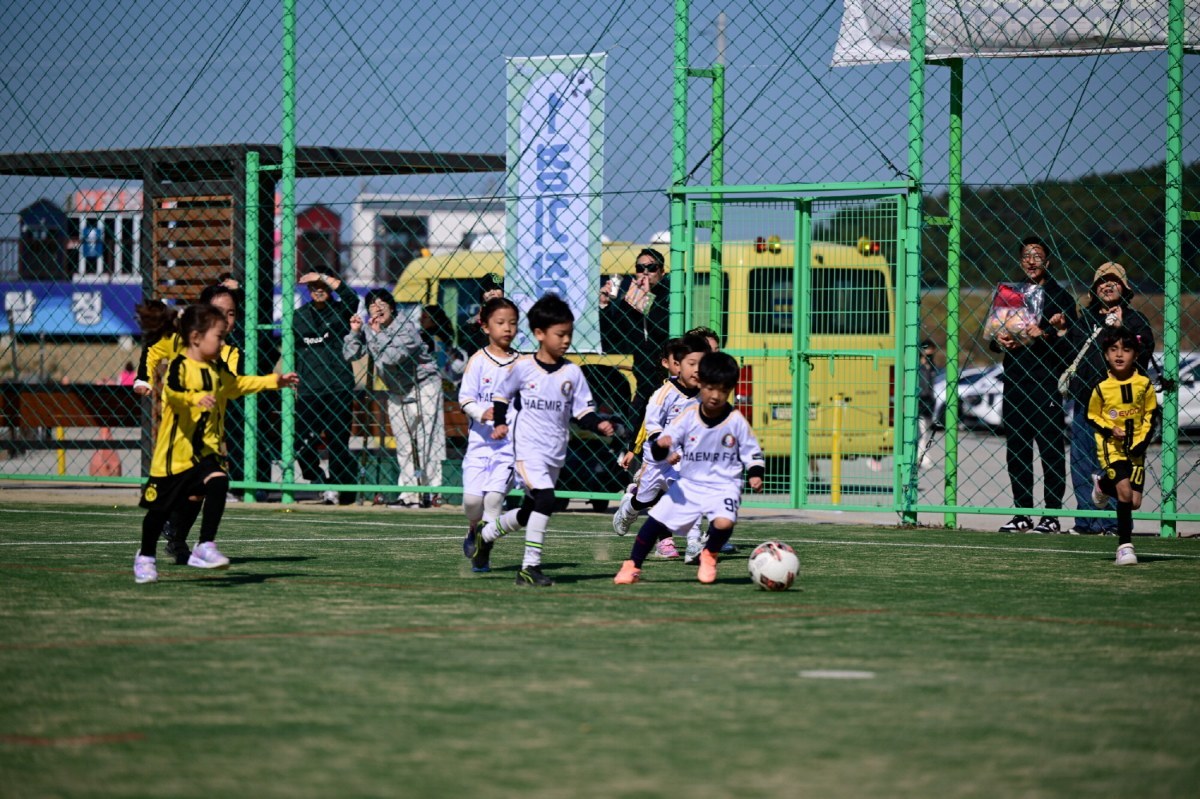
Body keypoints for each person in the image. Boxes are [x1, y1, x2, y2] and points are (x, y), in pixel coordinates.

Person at [133, 304, 299, 584]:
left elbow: (236, 386)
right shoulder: (180, 365)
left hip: (204, 451)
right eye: (218, 337)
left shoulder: (216, 368)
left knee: (219, 481)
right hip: (174, 455)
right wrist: (194, 398)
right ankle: (145, 556)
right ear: (196, 337)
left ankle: (205, 544)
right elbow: (173, 394)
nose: (223, 343)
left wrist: (275, 381)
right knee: (158, 513)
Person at [463, 293, 615, 587]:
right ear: (539, 334)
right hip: (526, 450)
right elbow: (501, 397)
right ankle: (529, 568)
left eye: (569, 334)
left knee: (530, 510)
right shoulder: (523, 367)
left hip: (555, 451)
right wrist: (499, 423)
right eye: (560, 334)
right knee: (546, 499)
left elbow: (583, 412)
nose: (566, 340)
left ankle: (486, 535)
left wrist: (599, 424)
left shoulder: (572, 373)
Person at [614, 351, 765, 586]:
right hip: (690, 484)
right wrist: (662, 447)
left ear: (729, 390)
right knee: (654, 522)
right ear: (701, 384)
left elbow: (752, 451)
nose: (715, 396)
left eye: (722, 391)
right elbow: (666, 440)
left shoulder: (735, 420)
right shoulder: (688, 416)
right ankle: (632, 565)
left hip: (724, 485)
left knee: (724, 522)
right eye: (710, 388)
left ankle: (709, 554)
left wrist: (755, 473)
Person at [990, 237, 1075, 533]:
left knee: (1050, 448)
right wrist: (999, 338)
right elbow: (993, 337)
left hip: (1046, 382)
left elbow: (1070, 346)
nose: (1031, 261)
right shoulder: (1011, 294)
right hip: (1015, 381)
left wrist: (1045, 334)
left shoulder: (1061, 297)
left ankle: (1051, 514)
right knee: (1017, 449)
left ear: (1047, 262)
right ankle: (1022, 511)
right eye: (1026, 255)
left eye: (1037, 255)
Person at [1063, 262, 1155, 535]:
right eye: (1102, 281)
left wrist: (1122, 326)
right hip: (1087, 402)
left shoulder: (1135, 319)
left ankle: (1115, 522)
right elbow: (1068, 351)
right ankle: (1087, 521)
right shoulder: (1085, 319)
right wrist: (1060, 331)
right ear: (1094, 289)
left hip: (1121, 408)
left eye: (1114, 281)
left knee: (1117, 463)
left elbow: (1145, 349)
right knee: (1082, 461)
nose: (1107, 285)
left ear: (1124, 288)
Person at [611, 335, 711, 563]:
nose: (697, 370)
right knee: (644, 499)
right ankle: (628, 510)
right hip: (656, 460)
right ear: (678, 365)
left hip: (685, 460)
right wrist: (665, 450)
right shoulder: (663, 394)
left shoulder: (704, 392)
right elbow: (652, 427)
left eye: (702, 364)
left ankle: (694, 543)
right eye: (691, 364)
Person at [343, 288, 441, 508]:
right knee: (404, 445)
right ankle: (409, 495)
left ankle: (432, 492)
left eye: (382, 304)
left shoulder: (407, 328)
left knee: (426, 442)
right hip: (395, 389)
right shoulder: (370, 329)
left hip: (423, 385)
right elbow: (350, 354)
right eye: (372, 305)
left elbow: (392, 357)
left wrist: (375, 335)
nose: (377, 309)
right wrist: (355, 332)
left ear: (392, 308)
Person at [1086, 327, 1160, 565]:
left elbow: (1150, 415)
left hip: (1136, 450)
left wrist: (1142, 443)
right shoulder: (1101, 387)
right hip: (1111, 448)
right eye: (1113, 349)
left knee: (1134, 502)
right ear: (1106, 355)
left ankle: (1102, 485)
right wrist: (1110, 430)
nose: (1119, 354)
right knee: (1125, 493)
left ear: (1135, 355)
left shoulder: (1144, 384)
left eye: (1126, 350)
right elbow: (1092, 415)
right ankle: (1125, 547)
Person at [457, 297, 520, 572]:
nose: (507, 328)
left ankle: (483, 553)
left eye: (512, 323)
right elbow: (465, 399)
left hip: (508, 448)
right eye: (500, 322)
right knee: (473, 502)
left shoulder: (523, 364)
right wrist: (482, 413)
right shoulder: (478, 361)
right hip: (479, 444)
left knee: (494, 500)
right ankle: (473, 529)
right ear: (485, 327)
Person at [294, 268, 360, 506]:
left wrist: (322, 278)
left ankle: (338, 488)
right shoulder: (299, 316)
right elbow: (292, 350)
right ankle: (319, 480)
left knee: (338, 443)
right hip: (308, 389)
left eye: (322, 286)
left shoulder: (341, 311)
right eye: (313, 287)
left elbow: (352, 298)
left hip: (338, 387)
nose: (318, 291)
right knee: (300, 441)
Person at [600, 247, 671, 417]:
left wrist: (646, 299)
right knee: (634, 426)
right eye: (640, 268)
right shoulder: (631, 298)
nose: (645, 272)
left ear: (662, 272)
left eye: (651, 268)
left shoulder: (670, 295)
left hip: (668, 380)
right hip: (642, 382)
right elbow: (613, 334)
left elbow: (662, 328)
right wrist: (605, 305)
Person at [459, 273, 505, 355]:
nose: (492, 292)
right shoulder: (476, 320)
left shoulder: (513, 316)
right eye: (487, 289)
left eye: (496, 288)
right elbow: (464, 335)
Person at [917, 339, 938, 470]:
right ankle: (922, 457)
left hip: (929, 402)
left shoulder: (931, 366)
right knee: (921, 432)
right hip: (919, 400)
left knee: (925, 432)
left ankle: (922, 456)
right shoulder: (916, 365)